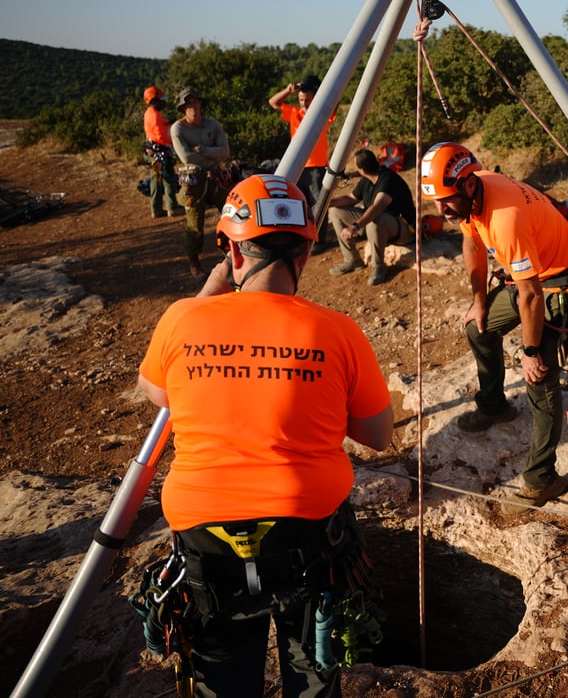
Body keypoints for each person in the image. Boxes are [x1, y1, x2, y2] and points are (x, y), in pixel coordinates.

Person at [137, 173, 394, 697]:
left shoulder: (182, 319)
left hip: (205, 541)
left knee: (222, 676)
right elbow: (378, 435)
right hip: (307, 536)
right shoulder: (339, 331)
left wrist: (208, 297)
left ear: (231, 252)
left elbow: (156, 392)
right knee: (313, 671)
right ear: (304, 255)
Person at [420, 141, 568, 515]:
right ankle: (495, 406)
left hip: (558, 280)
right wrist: (480, 301)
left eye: (445, 200)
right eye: (434, 202)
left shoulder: (504, 219)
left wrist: (529, 353)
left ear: (467, 186)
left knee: (540, 380)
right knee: (478, 329)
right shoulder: (473, 194)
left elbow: (531, 296)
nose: (440, 209)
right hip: (529, 276)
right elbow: (472, 245)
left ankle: (542, 479)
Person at [327, 148, 417, 286]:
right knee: (335, 212)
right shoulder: (367, 179)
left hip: (404, 228)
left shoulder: (387, 179)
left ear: (362, 169)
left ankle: (378, 266)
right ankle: (352, 260)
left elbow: (377, 207)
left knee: (375, 219)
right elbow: (351, 199)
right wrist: (329, 203)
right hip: (382, 224)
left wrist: (355, 226)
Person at [270, 74, 336, 250]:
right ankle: (305, 236)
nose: (304, 103)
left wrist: (321, 91)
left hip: (317, 166)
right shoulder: (294, 113)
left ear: (314, 98)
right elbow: (273, 102)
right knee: (301, 203)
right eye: (301, 100)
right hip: (298, 166)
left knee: (318, 203)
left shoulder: (322, 114)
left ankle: (319, 240)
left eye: (307, 99)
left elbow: (335, 102)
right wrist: (288, 90)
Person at [171, 89, 230, 277]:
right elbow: (186, 157)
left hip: (216, 175)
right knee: (195, 221)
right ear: (183, 108)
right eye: (189, 104)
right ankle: (194, 261)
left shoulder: (213, 125)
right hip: (194, 179)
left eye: (196, 102)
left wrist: (202, 149)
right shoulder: (178, 128)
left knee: (230, 212)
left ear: (201, 104)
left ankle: (231, 252)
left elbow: (225, 151)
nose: (193, 107)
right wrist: (211, 152)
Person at [142, 85, 183, 219]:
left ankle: (156, 209)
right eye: (162, 100)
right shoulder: (155, 114)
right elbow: (161, 135)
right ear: (155, 100)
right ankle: (172, 208)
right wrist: (172, 134)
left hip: (151, 150)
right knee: (169, 178)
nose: (164, 102)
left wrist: (167, 124)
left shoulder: (149, 113)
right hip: (160, 151)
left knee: (156, 180)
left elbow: (156, 130)